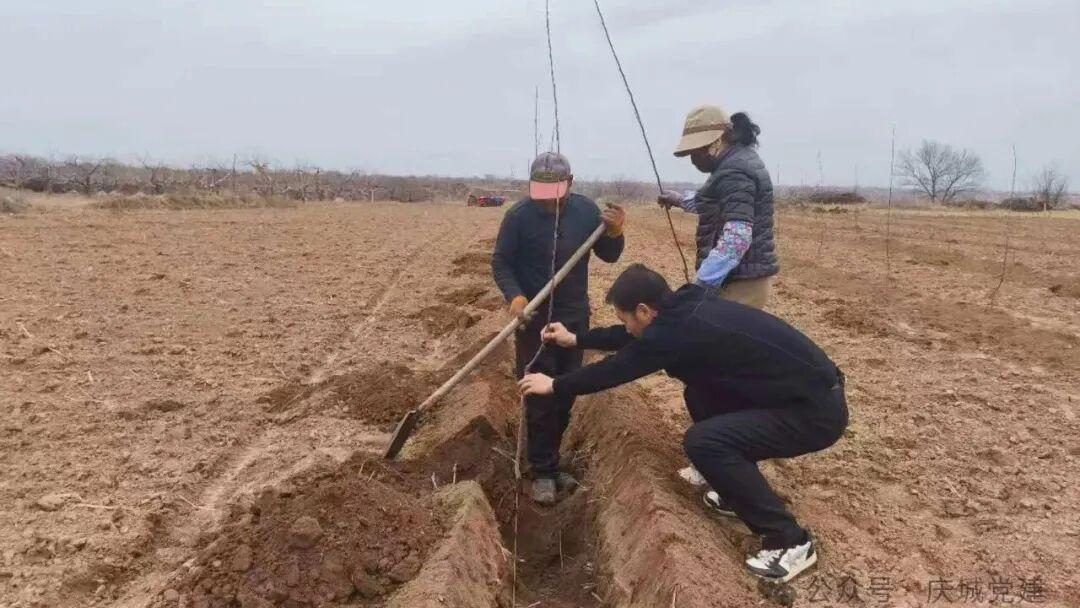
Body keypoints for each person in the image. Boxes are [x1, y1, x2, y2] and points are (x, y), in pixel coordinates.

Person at [518, 264, 847, 583]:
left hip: (812, 413)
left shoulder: (673, 333)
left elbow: (617, 369)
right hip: (796, 392)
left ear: (644, 311)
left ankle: (790, 541)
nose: (626, 327)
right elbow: (634, 338)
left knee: (705, 443)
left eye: (626, 319)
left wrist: (555, 385)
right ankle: (734, 491)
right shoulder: (683, 307)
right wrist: (576, 339)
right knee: (699, 394)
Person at [491, 151, 626, 505]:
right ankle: (541, 470)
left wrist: (615, 233)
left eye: (556, 193)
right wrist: (516, 297)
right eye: (542, 193)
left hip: (573, 317)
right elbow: (501, 263)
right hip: (533, 319)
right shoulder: (518, 217)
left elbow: (610, 255)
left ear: (570, 183)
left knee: (565, 391)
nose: (548, 202)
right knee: (539, 398)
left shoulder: (586, 212)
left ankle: (550, 460)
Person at [657, 105, 778, 310]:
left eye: (696, 151)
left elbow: (736, 238)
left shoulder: (735, 171)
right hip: (738, 276)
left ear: (717, 142)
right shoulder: (734, 162)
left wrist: (700, 285)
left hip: (740, 283)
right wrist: (679, 200)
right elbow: (715, 202)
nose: (693, 160)